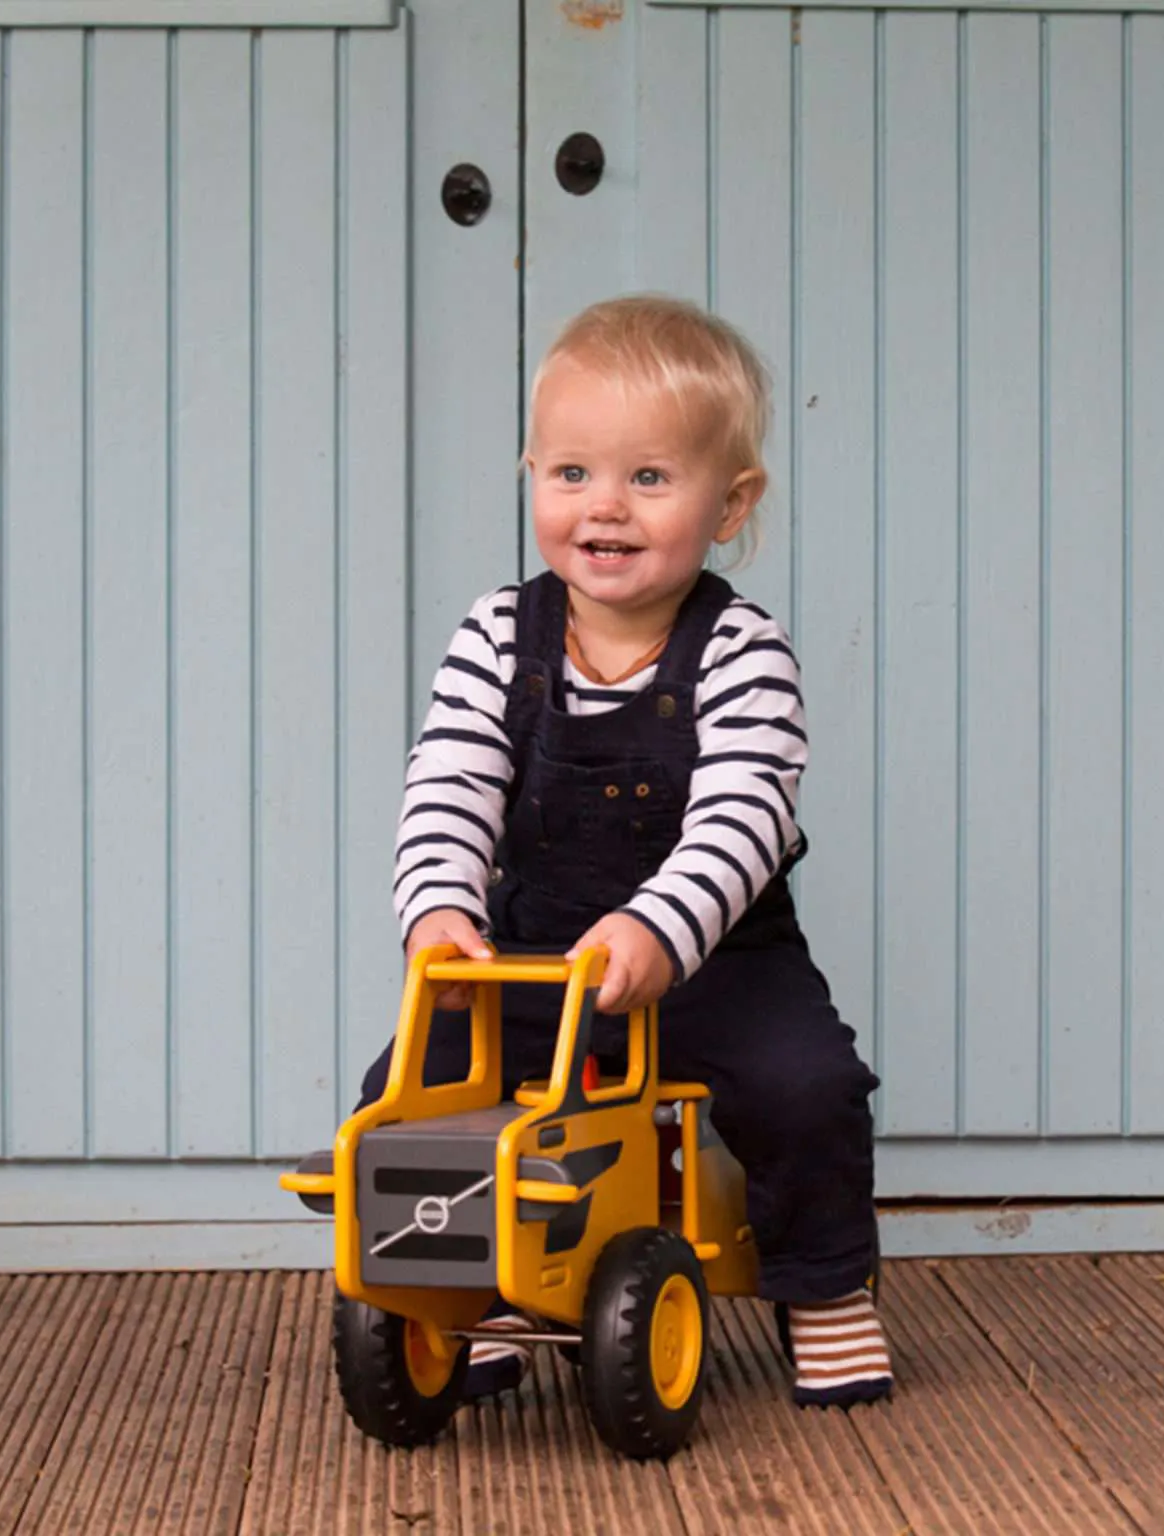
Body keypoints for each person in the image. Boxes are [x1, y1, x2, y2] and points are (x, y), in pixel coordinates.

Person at [361, 294, 890, 1410]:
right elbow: (450, 780)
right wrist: (441, 911)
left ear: (730, 505)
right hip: (537, 957)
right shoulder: (500, 634)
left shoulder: (742, 652)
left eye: (649, 479)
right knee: (409, 1098)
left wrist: (660, 928)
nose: (603, 507)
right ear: (533, 477)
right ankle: (480, 1285)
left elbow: (744, 814)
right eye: (570, 475)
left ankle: (826, 1283)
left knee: (809, 1087)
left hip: (712, 955)